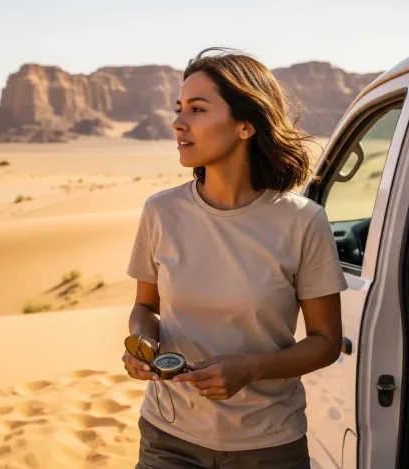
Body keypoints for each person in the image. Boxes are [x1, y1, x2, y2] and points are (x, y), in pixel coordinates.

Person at [122, 47, 348, 469]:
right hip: (167, 437)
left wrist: (253, 368)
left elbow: (325, 343)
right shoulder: (161, 212)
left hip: (268, 446)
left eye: (198, 109)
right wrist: (143, 343)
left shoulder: (302, 222)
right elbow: (145, 307)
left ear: (246, 125)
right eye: (179, 108)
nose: (178, 123)